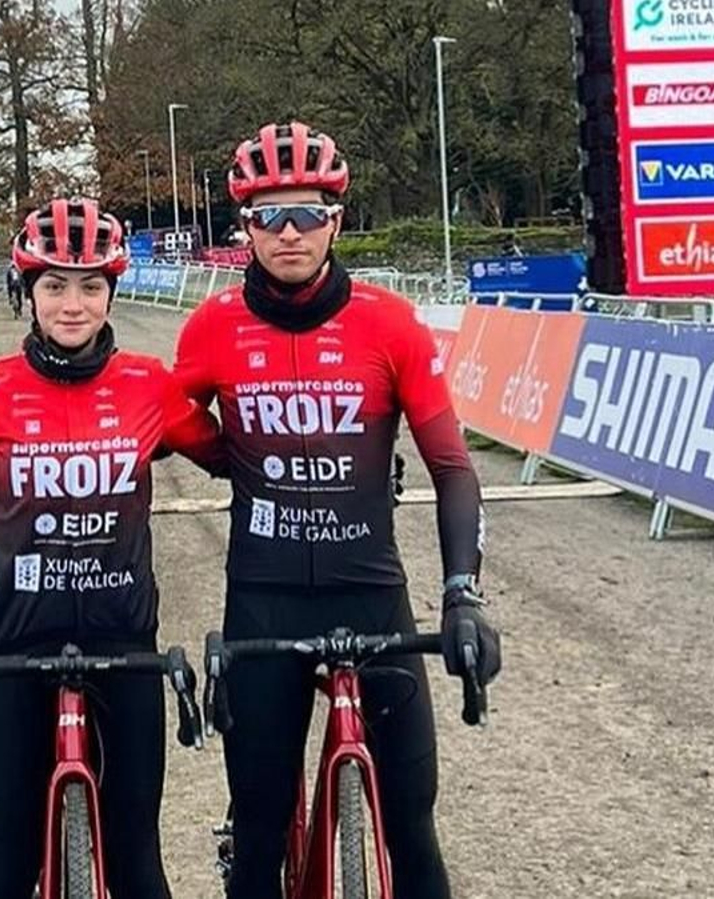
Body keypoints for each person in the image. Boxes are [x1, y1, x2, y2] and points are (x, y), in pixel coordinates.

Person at [173, 122, 503, 899]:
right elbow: (161, 416)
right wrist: (231, 456)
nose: (289, 232)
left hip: (371, 592)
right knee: (258, 836)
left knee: (413, 830)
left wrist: (462, 593)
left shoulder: (388, 322)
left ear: (336, 221)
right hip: (264, 599)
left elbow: (453, 467)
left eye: (307, 213)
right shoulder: (214, 325)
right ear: (245, 226)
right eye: (269, 216)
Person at [0, 198, 224, 898]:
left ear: (111, 292)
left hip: (123, 645)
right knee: (1, 876)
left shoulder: (149, 385)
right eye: (55, 285)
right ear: (27, 290)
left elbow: (236, 457)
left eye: (90, 286)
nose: (72, 304)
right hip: (11, 649)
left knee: (139, 868)